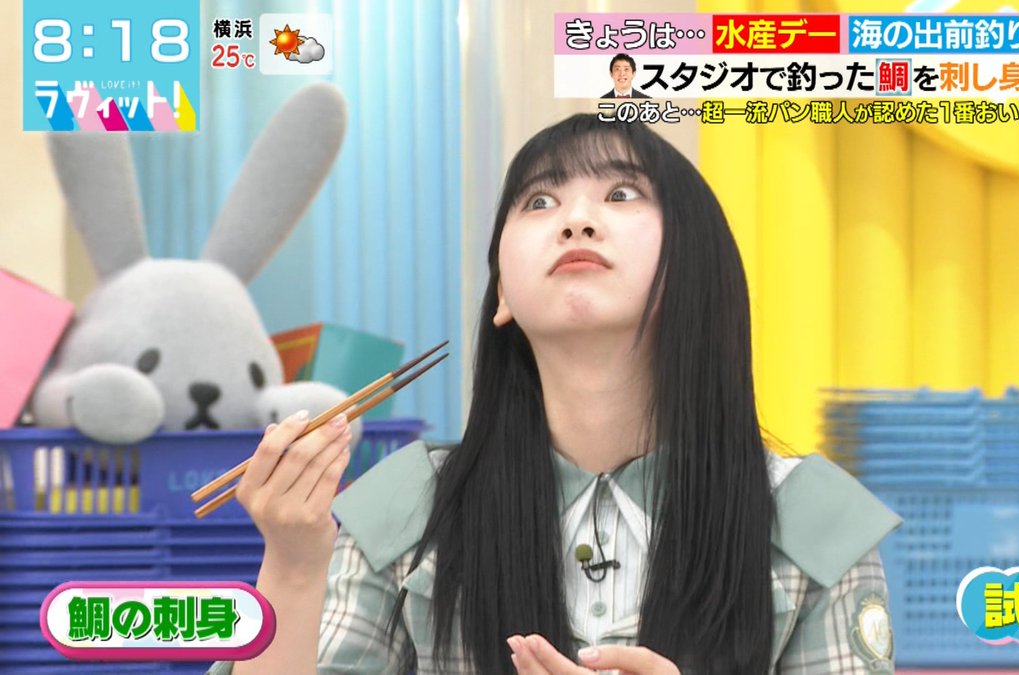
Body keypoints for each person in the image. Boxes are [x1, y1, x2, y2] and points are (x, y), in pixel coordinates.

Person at [209, 115, 900, 674]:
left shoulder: (813, 523)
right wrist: (294, 565)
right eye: (539, 201)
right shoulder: (405, 510)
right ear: (503, 295)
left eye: (622, 194)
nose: (575, 220)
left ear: (694, 265)